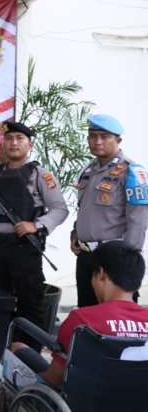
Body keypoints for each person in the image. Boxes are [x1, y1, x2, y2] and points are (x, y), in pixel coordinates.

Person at [0, 121, 68, 335]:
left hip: (24, 249)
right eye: (9, 139)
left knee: (30, 304)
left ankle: (27, 350)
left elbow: (60, 209)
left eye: (19, 139)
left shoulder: (40, 174)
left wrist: (36, 225)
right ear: (3, 144)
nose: (14, 143)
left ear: (30, 145)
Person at [11, 242, 148, 387]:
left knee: (17, 347)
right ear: (138, 284)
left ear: (101, 274)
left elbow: (54, 379)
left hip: (83, 398)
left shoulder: (82, 320)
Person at [71, 114, 148, 307]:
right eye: (92, 136)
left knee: (117, 314)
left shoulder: (131, 171)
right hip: (86, 256)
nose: (97, 141)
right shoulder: (88, 170)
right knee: (87, 312)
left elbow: (138, 220)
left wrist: (129, 261)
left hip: (114, 259)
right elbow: (85, 208)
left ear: (118, 140)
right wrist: (76, 233)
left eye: (104, 137)